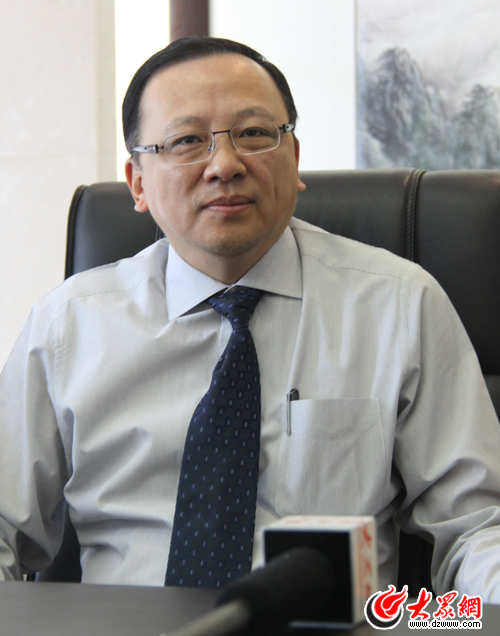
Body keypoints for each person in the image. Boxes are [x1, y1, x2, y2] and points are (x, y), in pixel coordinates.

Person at [1, 37, 500, 598]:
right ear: (138, 183)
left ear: (294, 158)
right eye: (187, 141)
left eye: (255, 134)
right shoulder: (67, 326)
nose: (225, 165)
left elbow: (478, 529)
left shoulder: (400, 306)